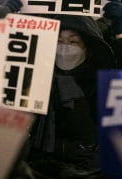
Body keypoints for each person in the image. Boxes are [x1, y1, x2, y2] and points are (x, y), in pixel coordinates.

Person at [27, 14, 116, 178]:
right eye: (58, 41)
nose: (64, 47)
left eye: (73, 41)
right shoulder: (34, 81)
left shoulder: (103, 84)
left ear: (87, 47)